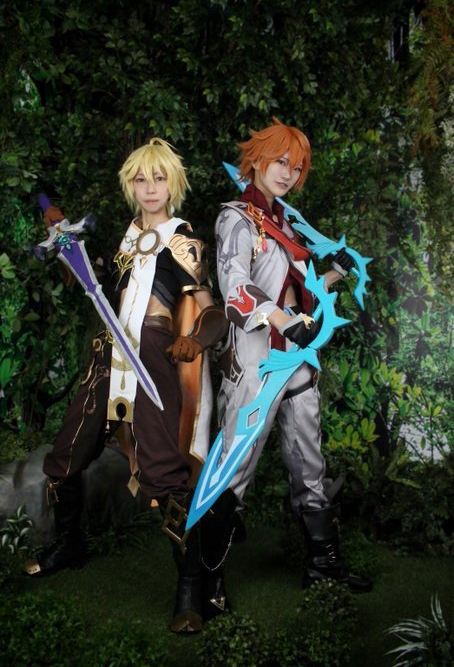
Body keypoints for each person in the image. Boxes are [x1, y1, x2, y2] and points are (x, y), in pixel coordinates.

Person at [24, 138, 228, 635]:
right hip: (107, 359)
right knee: (65, 456)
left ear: (173, 184)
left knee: (168, 476)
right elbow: (99, 290)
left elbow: (215, 312)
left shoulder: (183, 240)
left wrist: (195, 341)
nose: (150, 188)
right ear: (130, 186)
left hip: (154, 360)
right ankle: (69, 544)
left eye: (159, 178)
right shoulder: (127, 239)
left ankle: (189, 587)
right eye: (141, 179)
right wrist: (68, 254)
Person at [201, 118, 371, 618]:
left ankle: (323, 564)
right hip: (256, 365)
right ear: (256, 160)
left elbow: (302, 292)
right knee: (234, 469)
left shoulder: (288, 225)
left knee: (309, 465)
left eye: (295, 168)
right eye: (280, 162)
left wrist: (335, 272)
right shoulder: (235, 218)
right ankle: (208, 580)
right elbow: (234, 286)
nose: (288, 174)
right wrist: (280, 320)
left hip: (297, 362)